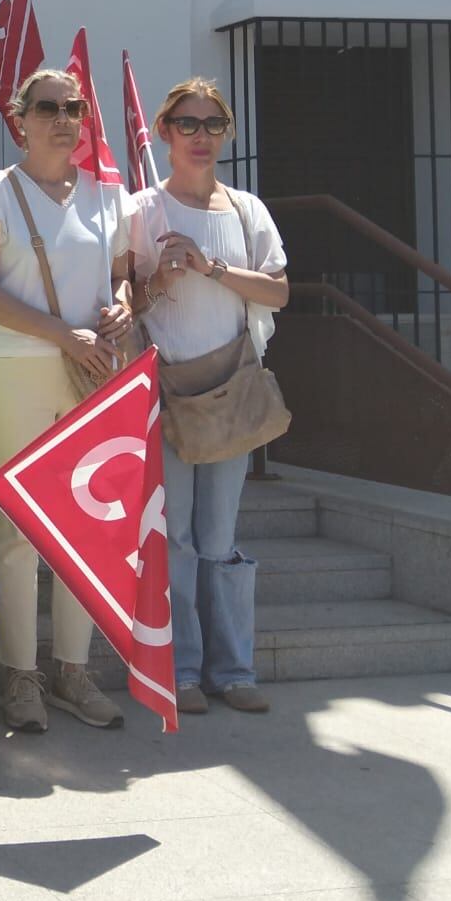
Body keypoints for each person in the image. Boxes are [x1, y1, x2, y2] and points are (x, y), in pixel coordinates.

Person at [0, 67, 135, 733]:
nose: (65, 118)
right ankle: (20, 676)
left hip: (91, 375)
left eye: (75, 107)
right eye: (50, 107)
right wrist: (62, 332)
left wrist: (118, 310)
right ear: (20, 119)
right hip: (16, 369)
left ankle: (72, 670)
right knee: (20, 529)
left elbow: (123, 281)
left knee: (81, 527)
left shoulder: (107, 197)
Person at [131, 79, 289, 716]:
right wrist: (157, 279)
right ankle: (185, 668)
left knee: (220, 535)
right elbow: (124, 304)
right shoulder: (142, 209)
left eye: (213, 123)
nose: (201, 135)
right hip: (167, 388)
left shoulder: (247, 210)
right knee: (175, 539)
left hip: (230, 389)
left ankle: (235, 668)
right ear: (165, 132)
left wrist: (210, 269)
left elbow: (278, 291)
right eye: (188, 123)